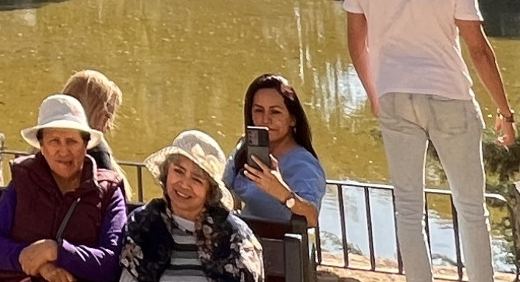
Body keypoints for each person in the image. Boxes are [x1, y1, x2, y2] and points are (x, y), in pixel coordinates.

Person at [344, 0, 515, 282]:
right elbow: (479, 51)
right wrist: (504, 112)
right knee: (471, 209)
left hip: (394, 96)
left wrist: (374, 93)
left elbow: (357, 42)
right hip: (449, 95)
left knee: (408, 209)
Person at [0, 94, 127, 282]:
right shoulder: (23, 179)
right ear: (41, 146)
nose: (63, 151)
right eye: (54, 141)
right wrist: (37, 264)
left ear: (86, 144)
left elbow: (112, 262)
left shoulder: (109, 191)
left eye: (72, 141)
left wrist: (55, 250)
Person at [118, 130, 264, 281]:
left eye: (197, 179)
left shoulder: (234, 235)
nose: (184, 184)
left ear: (210, 190)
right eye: (178, 171)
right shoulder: (143, 223)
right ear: (166, 172)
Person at [222, 74, 324, 229]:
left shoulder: (303, 164)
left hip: (282, 247)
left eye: (275, 112)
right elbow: (222, 186)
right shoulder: (246, 146)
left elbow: (311, 218)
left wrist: (282, 193)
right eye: (258, 111)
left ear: (292, 119)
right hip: (242, 241)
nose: (265, 120)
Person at [61, 70, 123, 173]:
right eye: (107, 116)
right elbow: (109, 187)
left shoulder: (44, 140)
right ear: (93, 112)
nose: (108, 127)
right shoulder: (96, 150)